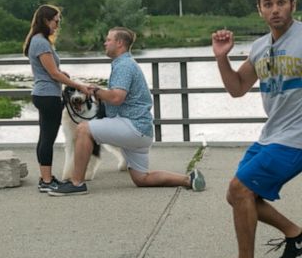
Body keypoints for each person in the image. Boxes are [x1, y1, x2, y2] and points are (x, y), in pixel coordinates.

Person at [48, 26, 206, 196]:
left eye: (109, 39)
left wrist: (94, 92)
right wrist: (99, 92)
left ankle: (76, 183)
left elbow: (116, 97)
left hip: (131, 126)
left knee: (83, 129)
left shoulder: (123, 65)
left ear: (120, 43)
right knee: (142, 178)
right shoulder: (127, 63)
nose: (105, 42)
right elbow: (117, 96)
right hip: (142, 131)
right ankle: (189, 179)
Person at [212, 0, 302, 258]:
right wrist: (222, 58)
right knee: (236, 195)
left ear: (293, 5)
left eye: (281, 2)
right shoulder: (260, 48)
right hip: (271, 135)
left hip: (296, 138)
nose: (275, 9)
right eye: (268, 4)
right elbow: (237, 88)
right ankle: (295, 234)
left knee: (241, 188)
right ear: (260, 10)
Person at [23, 4, 90, 193]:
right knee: (48, 139)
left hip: (43, 93)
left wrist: (61, 73)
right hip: (47, 95)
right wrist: (78, 85)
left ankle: (45, 177)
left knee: (44, 137)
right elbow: (53, 74)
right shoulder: (41, 42)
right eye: (56, 21)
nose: (57, 25)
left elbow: (50, 70)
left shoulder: (37, 41)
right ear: (45, 20)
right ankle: (46, 180)